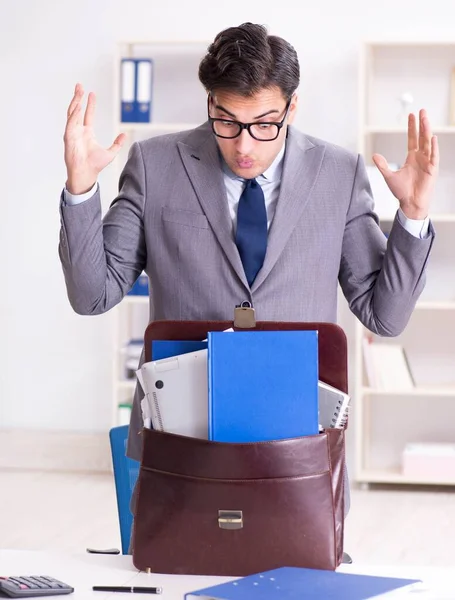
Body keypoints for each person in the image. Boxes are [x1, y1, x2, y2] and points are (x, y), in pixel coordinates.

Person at [59, 22, 438, 471]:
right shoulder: (155, 164)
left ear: (291, 107)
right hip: (180, 436)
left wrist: (412, 214)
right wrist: (81, 190)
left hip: (298, 440)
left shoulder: (338, 173)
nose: (243, 146)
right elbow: (92, 296)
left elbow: (385, 317)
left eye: (263, 124)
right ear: (210, 103)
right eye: (227, 122)